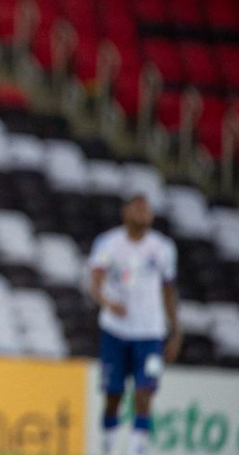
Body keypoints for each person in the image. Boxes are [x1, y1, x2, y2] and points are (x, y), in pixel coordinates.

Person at [88, 194, 182, 455]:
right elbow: (95, 281)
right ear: (125, 212)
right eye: (137, 208)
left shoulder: (163, 248)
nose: (143, 213)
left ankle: (136, 451)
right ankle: (107, 447)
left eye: (146, 209)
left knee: (144, 394)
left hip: (150, 333)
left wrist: (174, 330)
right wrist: (107, 302)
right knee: (113, 395)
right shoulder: (108, 243)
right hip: (115, 331)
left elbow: (168, 291)